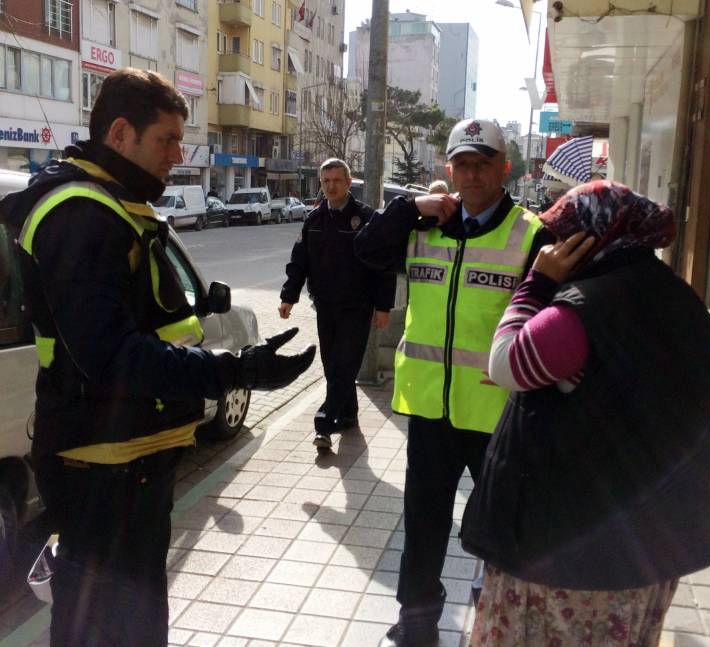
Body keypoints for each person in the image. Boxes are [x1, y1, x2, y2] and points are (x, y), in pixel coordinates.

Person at [0, 68, 315, 647]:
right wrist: (235, 370)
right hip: (104, 463)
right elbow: (111, 356)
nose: (178, 154)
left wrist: (228, 365)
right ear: (121, 133)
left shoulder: (109, 204)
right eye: (167, 139)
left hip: (123, 455)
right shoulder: (82, 216)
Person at [460, 180, 710, 646]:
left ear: (589, 239)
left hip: (574, 554)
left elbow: (504, 365)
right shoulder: (682, 301)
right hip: (650, 544)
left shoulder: (583, 309)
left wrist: (537, 284)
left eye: (562, 236)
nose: (551, 247)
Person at [355, 118, 555, 647]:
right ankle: (418, 620)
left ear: (503, 168)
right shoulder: (424, 227)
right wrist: (407, 207)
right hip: (429, 409)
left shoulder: (532, 234)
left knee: (501, 525)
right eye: (462, 164)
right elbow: (364, 252)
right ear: (449, 170)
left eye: (482, 163)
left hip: (498, 413)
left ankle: (499, 615)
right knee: (423, 521)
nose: (472, 175)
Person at [279, 158, 396, 449]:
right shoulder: (314, 220)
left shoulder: (366, 218)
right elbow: (299, 262)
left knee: (343, 365)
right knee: (333, 365)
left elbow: (384, 266)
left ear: (348, 183)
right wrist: (288, 296)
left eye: (336, 181)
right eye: (326, 181)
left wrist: (383, 307)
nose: (330, 186)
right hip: (325, 305)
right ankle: (349, 415)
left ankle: (324, 424)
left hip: (357, 306)